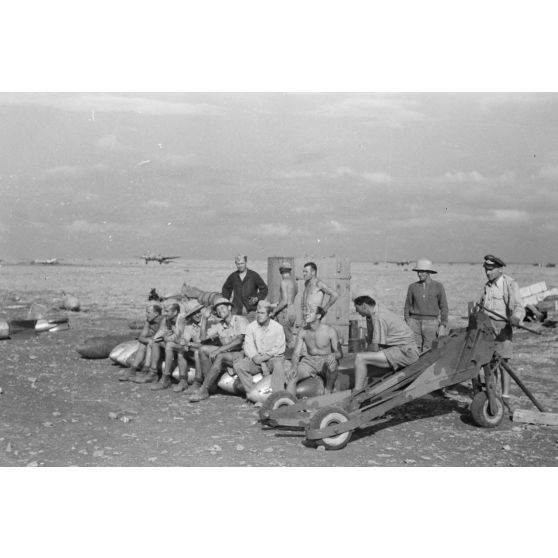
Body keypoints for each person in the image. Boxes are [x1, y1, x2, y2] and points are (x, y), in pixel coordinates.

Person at [478, 255, 525, 399]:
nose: (488, 272)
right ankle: (492, 394)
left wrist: (516, 317)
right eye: (486, 269)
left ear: (499, 269)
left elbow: (518, 306)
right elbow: (482, 307)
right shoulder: (488, 286)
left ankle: (505, 397)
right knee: (489, 363)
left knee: (504, 363)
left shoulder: (510, 284)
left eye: (491, 269)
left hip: (503, 329)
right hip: (487, 330)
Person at [353, 292, 419, 392]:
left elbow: (375, 347)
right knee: (366, 361)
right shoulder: (373, 315)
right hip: (398, 349)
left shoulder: (379, 317)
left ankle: (356, 393)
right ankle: (364, 389)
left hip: (405, 352)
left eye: (358, 310)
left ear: (365, 306)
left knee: (360, 358)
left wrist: (365, 352)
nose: (358, 313)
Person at [188, 297, 249, 402]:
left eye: (222, 307)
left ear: (229, 307)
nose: (220, 311)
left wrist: (219, 350)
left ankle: (204, 389)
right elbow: (202, 338)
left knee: (220, 356)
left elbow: (239, 340)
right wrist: (205, 319)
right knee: (202, 349)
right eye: (218, 310)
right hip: (228, 353)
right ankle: (211, 385)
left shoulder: (240, 320)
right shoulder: (220, 325)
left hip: (242, 354)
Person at [233, 301, 286, 395]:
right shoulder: (251, 327)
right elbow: (248, 345)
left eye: (262, 313)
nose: (259, 315)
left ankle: (277, 395)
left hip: (271, 358)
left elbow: (278, 349)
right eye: (258, 312)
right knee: (239, 365)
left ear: (269, 314)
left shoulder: (278, 328)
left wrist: (263, 359)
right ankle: (252, 393)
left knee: (278, 363)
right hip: (256, 359)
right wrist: (255, 357)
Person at [287, 307, 343, 395]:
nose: (306, 313)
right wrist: (294, 366)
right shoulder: (303, 331)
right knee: (292, 377)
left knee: (333, 365)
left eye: (311, 312)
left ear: (318, 316)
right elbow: (296, 353)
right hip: (309, 361)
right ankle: (289, 405)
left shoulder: (330, 331)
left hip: (325, 361)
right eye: (306, 311)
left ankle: (327, 392)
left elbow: (339, 353)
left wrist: (333, 356)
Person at [404, 258, 449, 352]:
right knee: (414, 350)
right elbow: (407, 305)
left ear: (429, 272)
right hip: (414, 323)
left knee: (429, 351)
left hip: (431, 323)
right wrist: (408, 320)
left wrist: (443, 324)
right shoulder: (412, 287)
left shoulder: (438, 286)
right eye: (418, 272)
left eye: (422, 271)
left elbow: (444, 306)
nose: (419, 274)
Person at [132, 302, 180, 385]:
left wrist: (166, 338)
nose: (164, 314)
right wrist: (157, 339)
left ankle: (166, 377)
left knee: (168, 345)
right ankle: (152, 373)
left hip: (181, 345)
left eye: (167, 311)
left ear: (175, 312)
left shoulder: (181, 320)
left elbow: (179, 337)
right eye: (164, 311)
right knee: (155, 342)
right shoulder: (166, 320)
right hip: (170, 341)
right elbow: (159, 334)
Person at [118, 303, 163, 382]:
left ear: (156, 314)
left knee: (150, 344)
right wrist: (149, 340)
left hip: (162, 343)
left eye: (148, 312)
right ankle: (133, 369)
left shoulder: (163, 321)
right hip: (156, 342)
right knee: (143, 344)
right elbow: (141, 337)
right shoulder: (149, 321)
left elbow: (163, 337)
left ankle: (146, 370)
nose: (146, 315)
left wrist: (152, 340)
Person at [221, 254, 268, 319]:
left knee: (251, 328)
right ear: (235, 264)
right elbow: (226, 289)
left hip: (251, 311)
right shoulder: (233, 276)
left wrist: (257, 298)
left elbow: (264, 289)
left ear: (246, 262)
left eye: (242, 263)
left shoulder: (254, 275)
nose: (240, 266)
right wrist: (227, 302)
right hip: (236, 310)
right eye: (238, 264)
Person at [269, 260, 298, 348]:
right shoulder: (295, 283)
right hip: (292, 311)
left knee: (288, 339)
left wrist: (273, 312)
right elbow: (290, 299)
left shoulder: (283, 282)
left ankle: (292, 359)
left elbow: (285, 301)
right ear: (290, 271)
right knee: (289, 336)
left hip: (285, 313)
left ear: (281, 271)